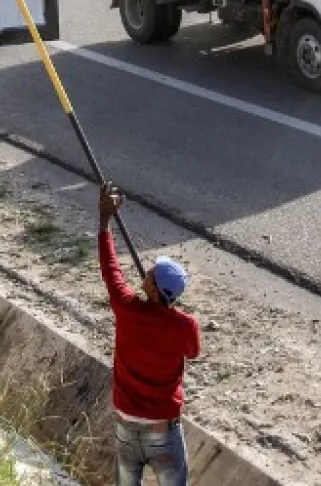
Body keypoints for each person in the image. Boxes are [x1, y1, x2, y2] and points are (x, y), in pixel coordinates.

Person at [98, 181, 201, 486]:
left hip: (127, 425)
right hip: (163, 430)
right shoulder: (184, 325)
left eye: (152, 275)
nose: (147, 273)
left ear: (155, 290)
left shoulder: (127, 309)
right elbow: (193, 352)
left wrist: (104, 219)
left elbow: (110, 268)